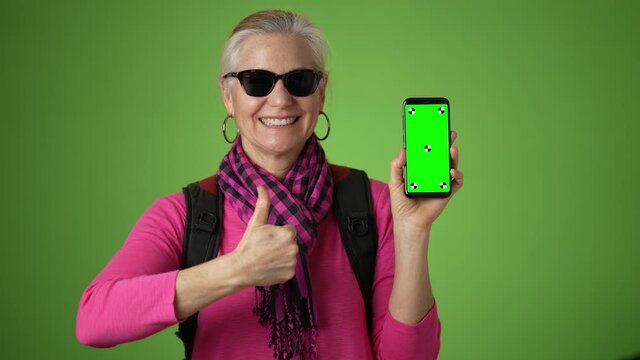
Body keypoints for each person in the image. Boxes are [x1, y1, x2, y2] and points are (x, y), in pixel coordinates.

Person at [76, 9, 463, 360]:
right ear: (228, 96)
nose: (280, 99)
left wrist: (413, 231)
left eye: (300, 80)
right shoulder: (187, 214)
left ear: (321, 92)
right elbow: (94, 320)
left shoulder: (376, 203)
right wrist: (238, 270)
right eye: (256, 81)